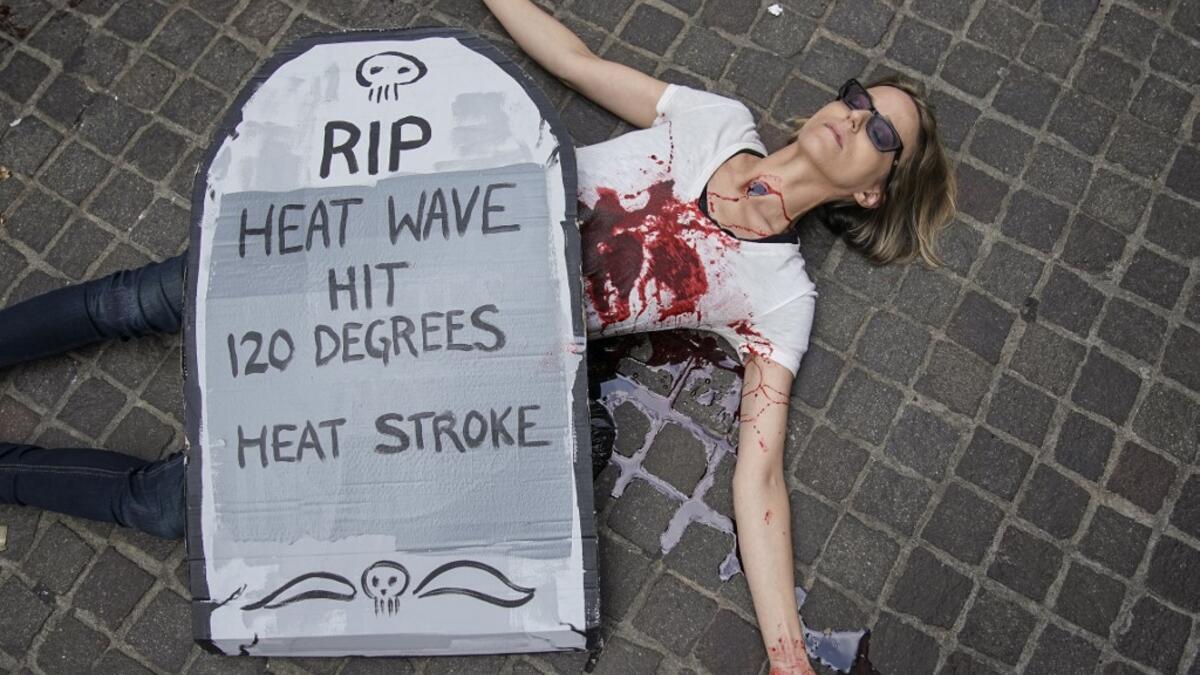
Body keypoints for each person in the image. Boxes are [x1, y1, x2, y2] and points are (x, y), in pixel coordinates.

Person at [0, 1, 956, 672]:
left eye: (882, 135)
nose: (854, 118)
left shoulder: (779, 294)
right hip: (399, 238)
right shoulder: (710, 120)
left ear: (872, 190)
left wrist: (787, 654)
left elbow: (759, 475)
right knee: (152, 298)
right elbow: (575, 64)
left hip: (473, 368)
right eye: (857, 97)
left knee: (182, 504)